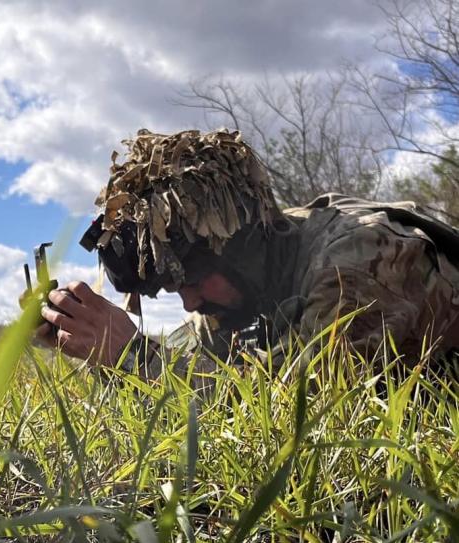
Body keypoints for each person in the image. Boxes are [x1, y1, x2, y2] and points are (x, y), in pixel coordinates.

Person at [35, 129, 459, 389]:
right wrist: (89, 339)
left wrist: (134, 357)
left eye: (194, 279)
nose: (189, 303)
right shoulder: (235, 287)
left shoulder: (362, 261)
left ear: (244, 243)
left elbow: (295, 418)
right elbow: (191, 374)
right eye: (175, 287)